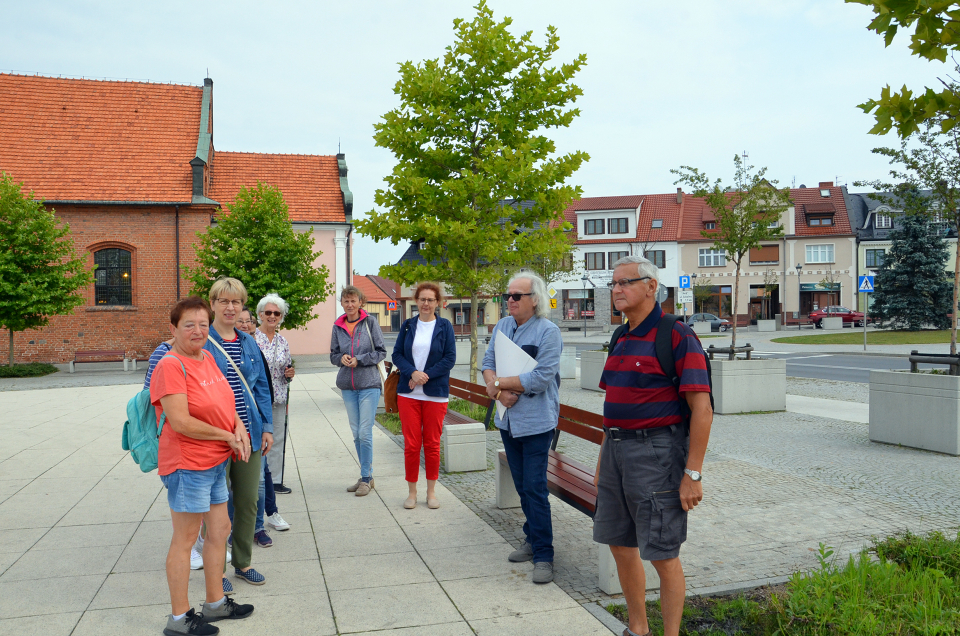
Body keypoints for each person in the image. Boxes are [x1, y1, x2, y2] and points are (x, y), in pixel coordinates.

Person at [593, 256, 713, 636]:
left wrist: (692, 474)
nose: (616, 290)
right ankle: (638, 629)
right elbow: (612, 404)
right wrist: (602, 459)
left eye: (625, 282)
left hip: (656, 455)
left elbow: (702, 410)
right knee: (618, 544)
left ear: (651, 288)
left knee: (663, 554)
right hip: (616, 453)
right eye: (613, 284)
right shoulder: (620, 336)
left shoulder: (676, 335)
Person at [151, 296, 254, 635]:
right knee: (185, 538)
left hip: (213, 463)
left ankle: (214, 603)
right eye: (188, 325)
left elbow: (227, 401)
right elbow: (180, 421)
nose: (197, 331)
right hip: (187, 464)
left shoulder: (207, 356)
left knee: (220, 530)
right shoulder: (171, 365)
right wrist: (226, 436)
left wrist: (238, 427)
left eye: (203, 324)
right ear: (173, 329)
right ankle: (179, 619)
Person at [481, 271, 562, 585]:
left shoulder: (548, 332)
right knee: (522, 485)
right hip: (507, 420)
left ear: (535, 300)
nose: (509, 301)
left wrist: (499, 383)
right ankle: (532, 536)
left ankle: (544, 555)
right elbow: (487, 361)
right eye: (507, 295)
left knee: (534, 488)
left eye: (517, 296)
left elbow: (540, 379)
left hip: (538, 424)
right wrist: (499, 391)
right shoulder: (502, 326)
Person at [204, 278, 273, 586]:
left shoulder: (248, 342)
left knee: (247, 501)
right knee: (216, 506)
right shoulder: (202, 340)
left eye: (236, 302)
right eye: (224, 301)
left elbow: (260, 387)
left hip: (249, 437)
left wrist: (267, 427)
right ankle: (216, 570)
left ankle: (242, 563)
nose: (230, 307)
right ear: (213, 304)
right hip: (216, 437)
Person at [391, 282, 456, 509]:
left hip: (435, 394)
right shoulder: (408, 326)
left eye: (430, 300)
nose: (426, 303)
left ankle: (431, 492)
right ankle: (411, 492)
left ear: (438, 303)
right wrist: (412, 373)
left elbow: (449, 359)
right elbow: (397, 354)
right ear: (416, 301)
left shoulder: (445, 326)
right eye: (422, 299)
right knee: (411, 444)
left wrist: (424, 376)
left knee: (432, 444)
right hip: (408, 394)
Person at [330, 285, 387, 496]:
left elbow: (381, 351)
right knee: (356, 434)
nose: (350, 305)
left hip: (369, 384)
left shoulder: (370, 322)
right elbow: (333, 355)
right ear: (342, 303)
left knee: (365, 432)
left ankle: (365, 478)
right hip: (348, 385)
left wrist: (359, 360)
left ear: (360, 302)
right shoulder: (338, 326)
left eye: (354, 301)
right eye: (346, 301)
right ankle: (367, 476)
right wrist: (341, 359)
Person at [254, 295, 294, 533]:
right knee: (262, 445)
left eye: (276, 314)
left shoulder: (283, 341)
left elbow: (287, 366)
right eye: (268, 313)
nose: (271, 317)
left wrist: (290, 373)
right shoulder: (251, 339)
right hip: (259, 401)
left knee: (277, 441)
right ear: (260, 315)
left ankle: (275, 481)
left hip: (278, 398)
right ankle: (263, 482)